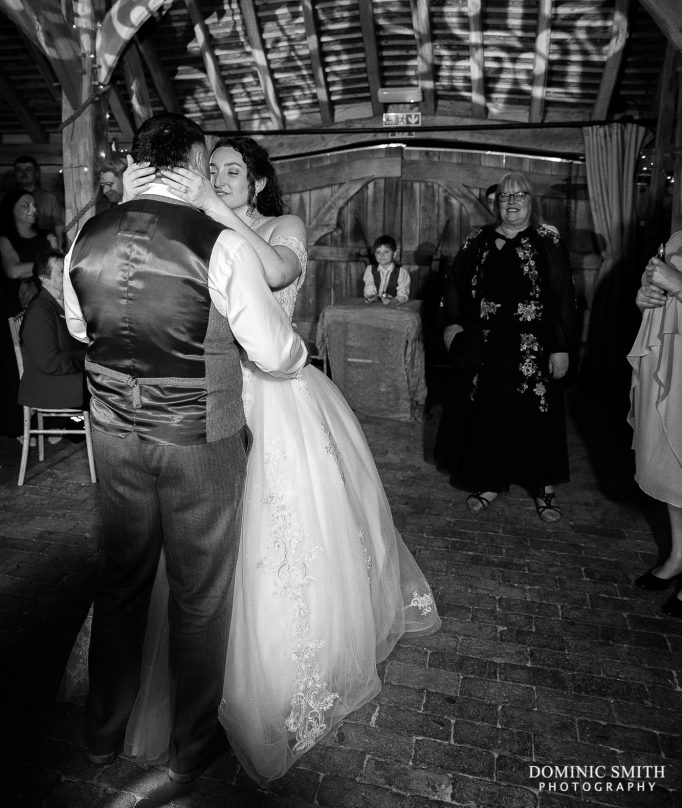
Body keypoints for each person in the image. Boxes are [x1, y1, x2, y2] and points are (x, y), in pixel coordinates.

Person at [69, 135, 440, 785]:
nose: (219, 177)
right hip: (204, 409)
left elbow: (280, 275)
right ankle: (188, 724)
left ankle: (222, 692)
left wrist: (213, 203)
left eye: (233, 170)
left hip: (273, 401)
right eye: (210, 169)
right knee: (193, 575)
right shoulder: (199, 233)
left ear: (259, 181)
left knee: (266, 543)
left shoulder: (268, 227)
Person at [62, 114, 308, 785]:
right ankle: (192, 744)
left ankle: (101, 736)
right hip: (201, 442)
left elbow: (82, 329)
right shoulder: (218, 244)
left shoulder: (86, 237)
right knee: (200, 599)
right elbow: (273, 352)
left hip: (114, 438)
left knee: (121, 585)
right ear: (196, 162)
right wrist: (299, 352)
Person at [434, 170, 576, 523]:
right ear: (495, 202)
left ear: (531, 201)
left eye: (519, 196)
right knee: (490, 413)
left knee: (536, 415)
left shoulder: (547, 240)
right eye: (505, 196)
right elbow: (454, 283)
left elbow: (564, 296)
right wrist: (452, 324)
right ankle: (490, 479)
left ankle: (543, 486)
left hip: (533, 347)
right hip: (488, 345)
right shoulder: (477, 240)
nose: (512, 202)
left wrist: (561, 347)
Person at [628, 232, 682, 618]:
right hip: (670, 358)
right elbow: (656, 285)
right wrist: (645, 295)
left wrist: (677, 282)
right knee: (671, 465)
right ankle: (679, 554)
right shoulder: (679, 236)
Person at [0, 190, 58, 437]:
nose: (33, 209)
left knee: (46, 361)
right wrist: (43, 263)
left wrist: (49, 258)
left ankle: (51, 423)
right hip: (14, 308)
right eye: (26, 205)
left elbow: (59, 267)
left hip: (44, 308)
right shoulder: (5, 239)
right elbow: (13, 271)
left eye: (34, 204)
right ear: (12, 210)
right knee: (17, 368)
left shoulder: (48, 237)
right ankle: (20, 427)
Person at [18, 251, 86, 444]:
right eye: (61, 271)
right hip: (47, 385)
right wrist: (87, 360)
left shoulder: (58, 303)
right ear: (44, 279)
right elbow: (50, 363)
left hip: (59, 377)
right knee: (106, 387)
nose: (67, 274)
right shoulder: (40, 310)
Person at [13, 155, 65, 248]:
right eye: (19, 170)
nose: (23, 173)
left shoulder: (50, 199)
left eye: (28, 169)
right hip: (16, 248)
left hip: (44, 247)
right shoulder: (8, 200)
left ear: (36, 174)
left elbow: (60, 231)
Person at [363, 234, 410, 304]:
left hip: (394, 308)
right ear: (374, 254)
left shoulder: (401, 272)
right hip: (374, 306)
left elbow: (403, 293)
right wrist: (371, 296)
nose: (381, 255)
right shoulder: (370, 269)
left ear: (394, 254)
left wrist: (395, 300)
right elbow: (369, 287)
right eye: (378, 252)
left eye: (386, 251)